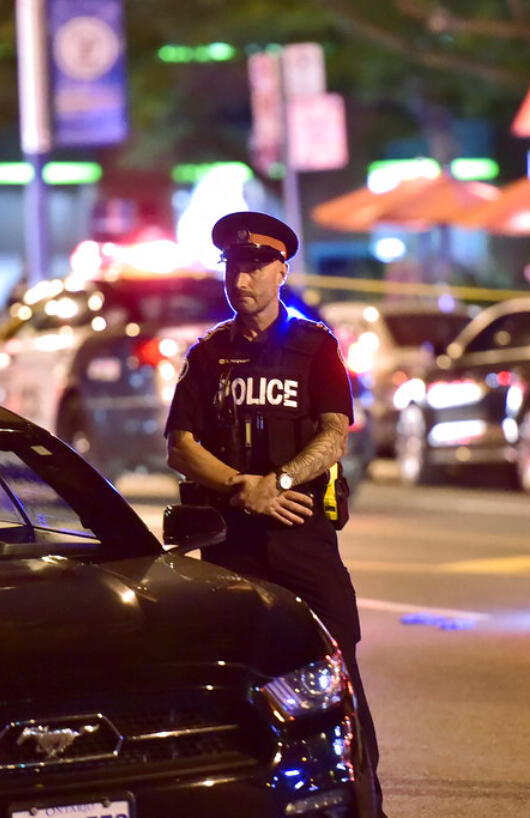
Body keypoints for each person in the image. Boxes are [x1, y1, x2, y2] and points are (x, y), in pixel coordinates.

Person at [165, 211, 387, 817]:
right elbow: (181, 445)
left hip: (301, 534)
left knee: (338, 666)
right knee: (237, 677)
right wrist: (242, 486)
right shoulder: (207, 355)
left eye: (256, 267)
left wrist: (280, 481)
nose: (243, 279)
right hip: (231, 538)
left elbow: (335, 434)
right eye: (235, 267)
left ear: (281, 271)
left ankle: (364, 800)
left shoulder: (316, 347)